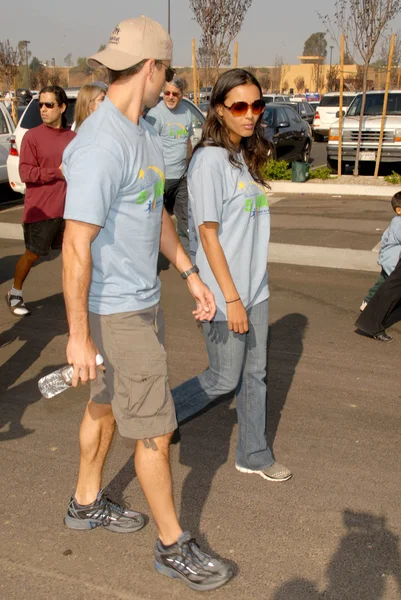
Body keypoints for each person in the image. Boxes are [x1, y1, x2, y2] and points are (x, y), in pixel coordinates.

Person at [61, 16, 233, 592]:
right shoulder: (101, 142)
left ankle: (85, 502)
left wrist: (189, 273)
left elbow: (153, 213)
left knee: (105, 406)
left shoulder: (143, 134)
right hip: (118, 313)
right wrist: (79, 335)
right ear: (155, 68)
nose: (170, 80)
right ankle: (171, 545)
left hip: (142, 301)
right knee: (155, 432)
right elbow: (75, 244)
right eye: (169, 70)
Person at [172, 69, 292, 483]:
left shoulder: (242, 154)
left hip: (255, 287)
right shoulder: (208, 161)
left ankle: (254, 453)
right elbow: (207, 235)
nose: (251, 114)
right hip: (227, 293)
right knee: (224, 377)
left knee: (254, 375)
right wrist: (233, 298)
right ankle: (156, 417)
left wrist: (250, 289)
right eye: (239, 106)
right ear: (219, 110)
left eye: (257, 105)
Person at [6, 85, 75, 317]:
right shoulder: (32, 137)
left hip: (69, 211)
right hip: (41, 212)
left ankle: (77, 299)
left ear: (62, 107)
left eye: (49, 105)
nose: (43, 109)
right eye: (40, 105)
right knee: (32, 255)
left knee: (74, 254)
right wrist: (57, 173)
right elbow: (26, 173)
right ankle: (15, 292)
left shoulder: (73, 138)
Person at [146, 76, 193, 253]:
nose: (170, 97)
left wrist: (189, 166)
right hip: (161, 179)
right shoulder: (155, 115)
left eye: (175, 93)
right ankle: (150, 258)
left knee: (185, 220)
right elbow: (148, 146)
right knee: (155, 220)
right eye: (167, 93)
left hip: (181, 177)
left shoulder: (186, 113)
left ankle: (190, 258)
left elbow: (187, 143)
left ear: (181, 94)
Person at [359, 192, 401, 312]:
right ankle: (368, 301)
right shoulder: (398, 222)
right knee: (383, 284)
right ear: (399, 210)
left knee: (387, 284)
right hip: (392, 262)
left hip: (393, 261)